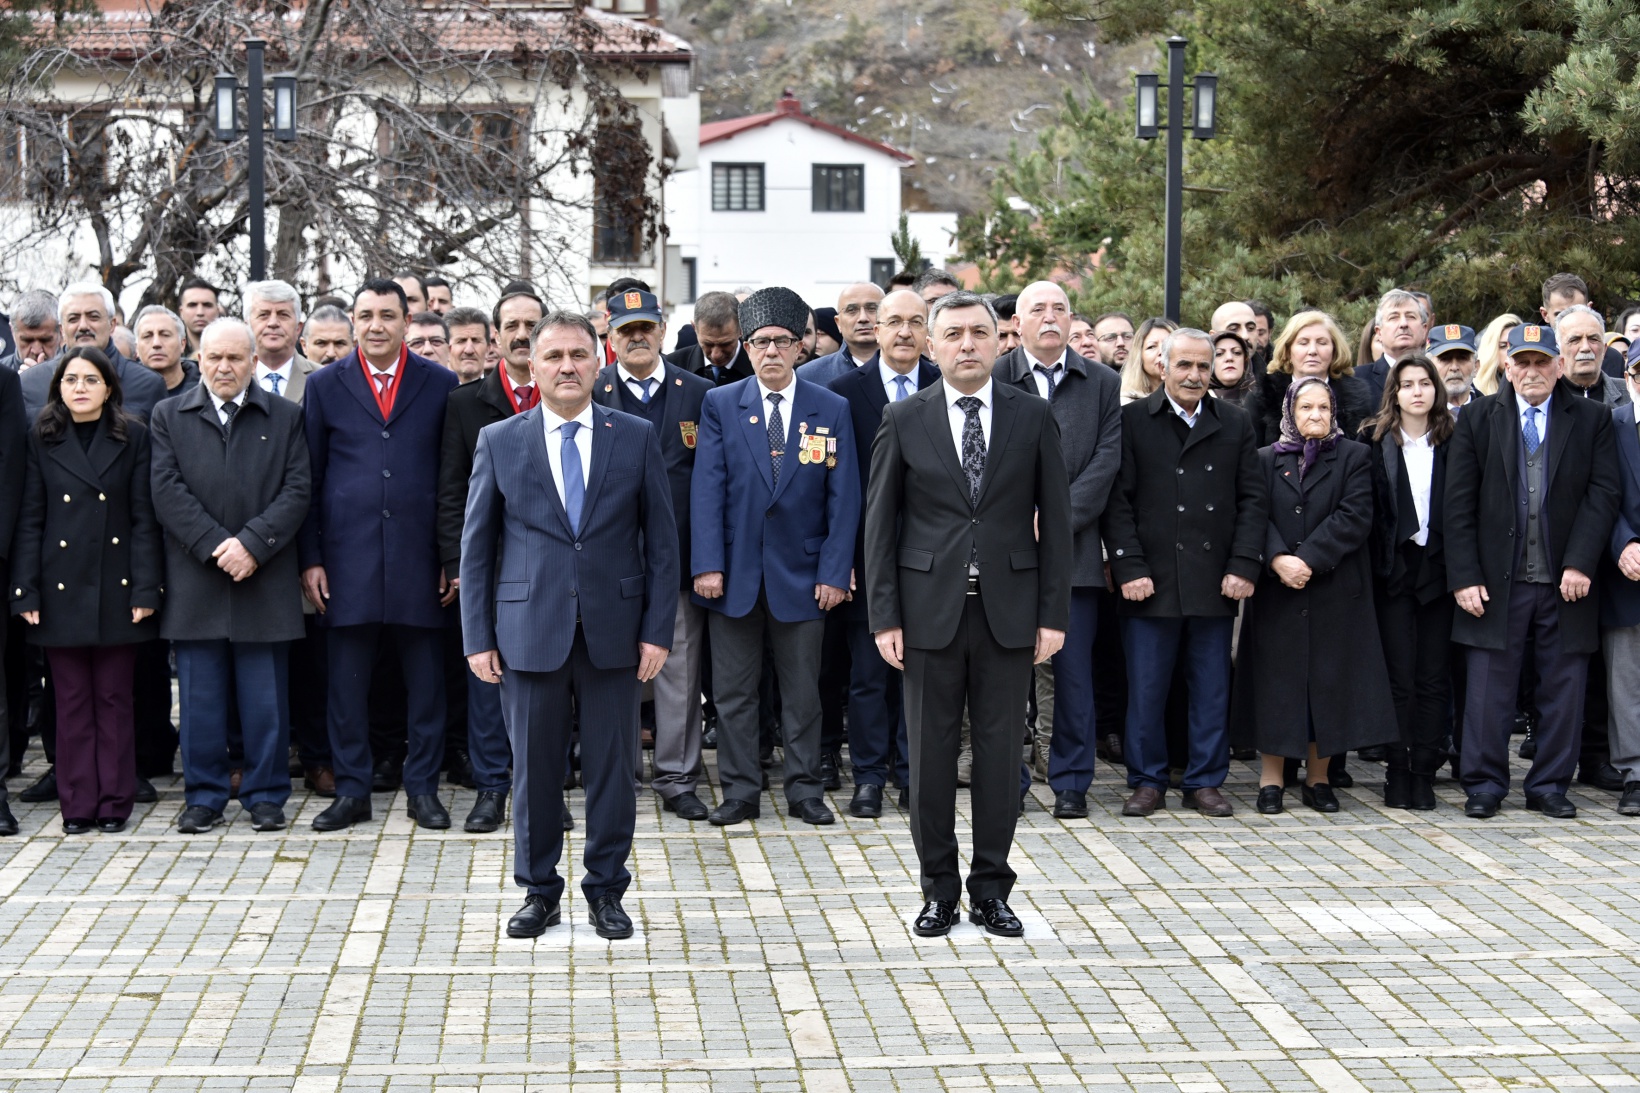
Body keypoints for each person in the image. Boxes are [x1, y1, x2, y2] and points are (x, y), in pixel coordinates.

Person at [461, 310, 677, 940]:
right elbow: (477, 548)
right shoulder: (501, 440)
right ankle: (538, 890)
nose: (565, 367)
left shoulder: (633, 435)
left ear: (599, 359)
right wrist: (478, 637)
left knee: (615, 771)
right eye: (551, 356)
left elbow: (662, 544)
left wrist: (658, 630)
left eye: (578, 356)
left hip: (616, 631)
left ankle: (607, 890)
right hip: (529, 631)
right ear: (531, 362)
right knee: (533, 770)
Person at [865, 289, 1071, 937]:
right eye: (952, 333)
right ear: (930, 344)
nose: (967, 344)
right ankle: (938, 890)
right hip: (927, 616)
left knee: (999, 754)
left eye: (979, 332)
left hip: (1009, 614)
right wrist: (884, 616)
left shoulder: (1032, 416)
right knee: (928, 760)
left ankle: (991, 888)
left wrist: (1053, 614)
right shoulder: (904, 417)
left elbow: (1059, 525)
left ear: (1000, 338)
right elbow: (879, 526)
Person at [690, 287, 859, 828]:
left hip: (805, 576)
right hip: (735, 575)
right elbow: (707, 488)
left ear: (800, 346)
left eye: (781, 343)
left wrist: (835, 571)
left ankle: (805, 789)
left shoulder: (830, 407)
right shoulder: (721, 403)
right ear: (746, 344)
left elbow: (844, 496)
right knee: (735, 694)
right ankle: (740, 791)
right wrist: (707, 564)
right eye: (759, 342)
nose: (769, 353)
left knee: (802, 693)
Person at [299, 279, 459, 832]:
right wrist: (311, 557)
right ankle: (351, 791)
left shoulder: (439, 383)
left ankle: (424, 789)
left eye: (386, 315)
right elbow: (310, 478)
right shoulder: (324, 386)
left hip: (420, 560)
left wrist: (449, 556)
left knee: (427, 684)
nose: (374, 326)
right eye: (364, 315)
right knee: (346, 683)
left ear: (406, 320)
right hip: (348, 560)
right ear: (352, 321)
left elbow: (449, 477)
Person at [1445, 323, 1620, 819]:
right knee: (1486, 692)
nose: (1532, 371)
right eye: (1522, 362)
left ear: (1559, 366)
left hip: (1568, 582)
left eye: (1542, 362)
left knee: (1562, 690)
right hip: (1495, 583)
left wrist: (1581, 562)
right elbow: (1457, 506)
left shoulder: (1591, 419)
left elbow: (1603, 495)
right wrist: (1464, 575)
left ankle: (1549, 786)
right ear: (1507, 366)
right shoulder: (1478, 419)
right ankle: (1483, 785)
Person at [149, 319, 311, 833]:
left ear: (253, 362)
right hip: (198, 581)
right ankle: (204, 796)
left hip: (263, 580)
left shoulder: (286, 417)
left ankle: (265, 796)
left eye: (235, 359)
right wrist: (218, 546)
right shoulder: (169, 415)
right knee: (199, 704)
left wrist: (251, 546)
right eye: (215, 357)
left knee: (266, 703)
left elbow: (297, 490)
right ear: (199, 357)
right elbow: (166, 489)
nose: (224, 367)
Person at [1102, 328, 1268, 818]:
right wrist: (1129, 566)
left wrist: (1243, 565)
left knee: (1212, 688)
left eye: (1203, 366)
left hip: (1215, 579)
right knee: (1147, 690)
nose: (1195, 375)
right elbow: (1117, 503)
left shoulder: (1235, 423)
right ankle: (1147, 780)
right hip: (1149, 581)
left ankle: (1205, 781)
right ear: (1162, 367)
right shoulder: (1132, 420)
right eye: (1185, 366)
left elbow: (1253, 502)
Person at [12, 347, 162, 834]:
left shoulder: (133, 435)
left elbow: (144, 519)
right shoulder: (41, 436)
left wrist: (145, 588)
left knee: (115, 700)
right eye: (71, 379)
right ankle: (76, 804)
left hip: (118, 588)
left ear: (108, 388)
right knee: (72, 701)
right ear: (58, 387)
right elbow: (31, 518)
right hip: (60, 589)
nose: (80, 387)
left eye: (91, 379)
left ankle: (115, 802)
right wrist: (26, 592)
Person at [1232, 376, 1393, 813]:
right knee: (1275, 683)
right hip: (1276, 592)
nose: (1315, 416)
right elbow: (1252, 513)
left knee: (1327, 682)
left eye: (1323, 408)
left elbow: (1355, 515)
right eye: (1306, 408)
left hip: (1334, 589)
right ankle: (1271, 780)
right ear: (1290, 412)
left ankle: (1319, 778)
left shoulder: (1355, 456)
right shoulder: (1265, 458)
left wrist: (1308, 560)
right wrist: (1278, 559)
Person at [992, 280, 1121, 819]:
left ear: (1072, 321)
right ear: (1017, 323)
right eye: (1037, 309)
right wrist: (1021, 515)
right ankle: (1008, 783)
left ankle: (1070, 781)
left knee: (1072, 676)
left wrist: (1059, 514)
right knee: (1006, 675)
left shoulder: (1102, 382)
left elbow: (1108, 457)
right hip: (1005, 551)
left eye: (1059, 309)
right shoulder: (997, 376)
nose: (1050, 317)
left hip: (1076, 553)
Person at [592, 288, 713, 820]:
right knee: (612, 671)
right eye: (626, 330)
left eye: (646, 327)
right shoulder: (590, 392)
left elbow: (713, 484)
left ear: (663, 331)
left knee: (678, 672)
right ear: (610, 337)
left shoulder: (701, 394)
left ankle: (678, 776)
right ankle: (619, 774)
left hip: (680, 561)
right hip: (610, 562)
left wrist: (710, 559)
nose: (637, 337)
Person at [436, 289, 545, 834]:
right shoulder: (463, 404)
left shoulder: (570, 397)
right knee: (487, 676)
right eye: (512, 325)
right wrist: (459, 564)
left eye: (533, 323)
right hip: (489, 566)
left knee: (549, 681)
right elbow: (452, 493)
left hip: (550, 568)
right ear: (495, 337)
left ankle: (544, 791)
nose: (523, 334)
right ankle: (492, 788)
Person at [828, 289, 939, 817]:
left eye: (915, 322)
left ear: (928, 331)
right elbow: (840, 485)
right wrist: (843, 558)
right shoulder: (843, 393)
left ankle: (914, 773)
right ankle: (869, 777)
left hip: (933, 555)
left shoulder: (947, 386)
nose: (902, 332)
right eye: (892, 320)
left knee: (920, 672)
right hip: (867, 553)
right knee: (869, 674)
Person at [1364, 354, 1455, 810]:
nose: (1417, 391)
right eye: (1407, 384)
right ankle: (1397, 771)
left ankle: (1424, 771)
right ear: (1394, 392)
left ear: (1436, 390)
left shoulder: (1456, 439)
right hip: (1393, 571)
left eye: (1425, 383)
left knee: (1434, 678)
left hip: (1439, 571)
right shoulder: (1374, 440)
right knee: (1399, 678)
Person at [22, 284, 166, 422]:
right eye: (73, 319)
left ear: (112, 325)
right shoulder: (29, 384)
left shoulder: (148, 384)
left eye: (93, 317)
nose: (83, 326)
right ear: (62, 330)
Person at [1602, 344, 1640, 815]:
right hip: (1627, 572)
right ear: (1629, 377)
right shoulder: (1609, 427)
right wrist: (1624, 544)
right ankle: (1634, 774)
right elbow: (1599, 495)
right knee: (1626, 681)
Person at [1244, 311, 1373, 446]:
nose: (1312, 350)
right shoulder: (1262, 396)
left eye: (1322, 343)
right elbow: (1252, 456)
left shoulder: (1357, 399)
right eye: (1303, 343)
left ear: (1334, 350)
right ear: (1288, 351)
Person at [797, 283, 884, 386]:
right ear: (838, 322)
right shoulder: (809, 375)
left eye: (872, 309)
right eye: (851, 310)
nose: (863, 318)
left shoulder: (905, 367)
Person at [1358, 290, 1430, 411]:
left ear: (1424, 329)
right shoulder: (1357, 379)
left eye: (1411, 317)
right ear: (1379, 332)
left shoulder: (1437, 376)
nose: (1403, 324)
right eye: (1394, 317)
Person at [668, 291, 753, 387]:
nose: (716, 355)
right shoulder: (671, 368)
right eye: (708, 344)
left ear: (741, 329)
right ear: (695, 328)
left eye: (725, 344)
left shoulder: (761, 368)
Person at [1555, 305, 1630, 406]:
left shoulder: (1631, 393)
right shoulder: (1545, 396)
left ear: (1604, 349)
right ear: (1558, 349)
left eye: (1593, 339)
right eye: (1575, 340)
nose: (1585, 347)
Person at [133, 305, 198, 397]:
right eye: (147, 336)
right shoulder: (123, 391)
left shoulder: (207, 389)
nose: (156, 343)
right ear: (137, 348)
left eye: (165, 335)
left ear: (182, 344)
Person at [1120, 317, 1176, 403]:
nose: (1161, 352)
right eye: (1151, 347)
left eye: (1167, 345)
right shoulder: (1125, 403)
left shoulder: (1196, 401)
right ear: (1139, 356)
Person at [2, 290, 62, 370]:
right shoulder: (2, 375)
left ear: (61, 331)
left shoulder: (77, 370)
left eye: (45, 340)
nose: (36, 350)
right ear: (12, 331)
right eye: (27, 340)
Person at [1428, 324, 1480, 415]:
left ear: (1476, 367)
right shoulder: (1421, 416)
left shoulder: (1493, 413)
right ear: (1429, 367)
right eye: (1445, 359)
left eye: (1462, 358)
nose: (1454, 367)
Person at [1474, 313, 1521, 397]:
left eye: (1516, 345)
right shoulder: (1476, 393)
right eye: (1503, 346)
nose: (1510, 352)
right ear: (1491, 351)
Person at [444, 307, 491, 384]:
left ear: (487, 349)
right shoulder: (433, 393)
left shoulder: (503, 392)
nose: (469, 350)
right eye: (461, 341)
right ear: (447, 350)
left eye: (476, 340)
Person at [1209, 330, 1254, 406]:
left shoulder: (1265, 396)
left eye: (1237, 353)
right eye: (1219, 354)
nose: (1229, 358)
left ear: (1245, 359)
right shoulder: (1195, 400)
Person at [177, 278, 221, 355]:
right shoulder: (172, 353)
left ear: (217, 311)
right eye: (192, 305)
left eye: (207, 305)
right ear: (181, 312)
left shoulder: (233, 348)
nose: (200, 312)